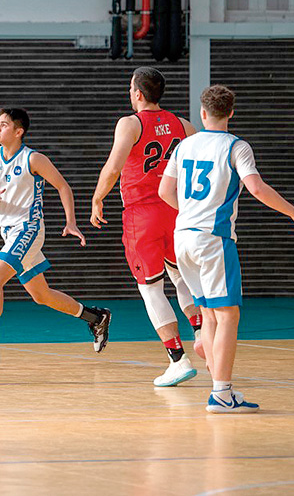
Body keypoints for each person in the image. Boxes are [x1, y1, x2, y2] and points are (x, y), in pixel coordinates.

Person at [159, 85, 294, 413]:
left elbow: (164, 191)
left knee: (209, 314)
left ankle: (219, 387)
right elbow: (256, 188)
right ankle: (221, 393)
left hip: (182, 236)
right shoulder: (236, 147)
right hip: (212, 239)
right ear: (231, 112)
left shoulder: (185, 145)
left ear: (202, 113)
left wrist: (188, 215)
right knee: (228, 314)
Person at [0, 108, 112, 369]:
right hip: (8, 233)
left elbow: (63, 186)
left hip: (28, 228)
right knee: (41, 295)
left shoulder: (33, 159)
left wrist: (70, 221)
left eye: (3, 125)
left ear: (18, 131)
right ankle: (96, 318)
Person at [90, 67, 203, 387]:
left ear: (138, 93)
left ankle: (178, 359)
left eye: (130, 88)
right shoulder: (185, 125)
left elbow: (113, 167)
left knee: (151, 287)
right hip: (179, 211)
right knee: (181, 276)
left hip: (143, 214)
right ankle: (201, 332)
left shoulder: (130, 123)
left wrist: (98, 198)